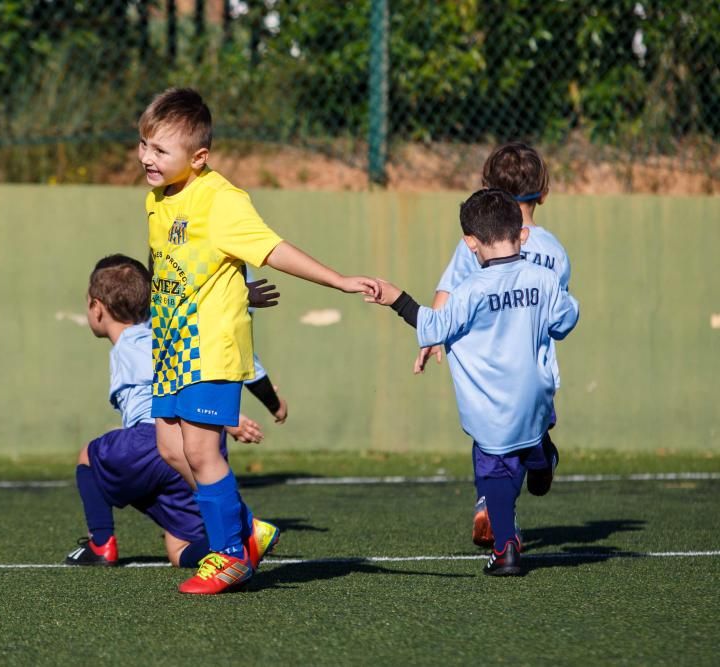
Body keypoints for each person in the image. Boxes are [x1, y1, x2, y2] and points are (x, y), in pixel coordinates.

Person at [140, 87, 380, 594]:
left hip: (211, 348)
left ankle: (231, 555)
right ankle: (247, 530)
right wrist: (235, 287)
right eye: (143, 145)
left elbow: (273, 249)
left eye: (160, 150)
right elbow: (181, 268)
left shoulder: (222, 201)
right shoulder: (156, 199)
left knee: (203, 452)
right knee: (169, 448)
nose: (147, 158)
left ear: (198, 158)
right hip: (170, 347)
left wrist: (338, 280)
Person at [367, 189, 579, 575]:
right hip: (537, 397)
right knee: (530, 438)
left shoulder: (472, 290)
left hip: (491, 405)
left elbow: (433, 325)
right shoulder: (544, 278)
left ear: (470, 243)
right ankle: (542, 458)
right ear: (522, 234)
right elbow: (565, 321)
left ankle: (507, 550)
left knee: (491, 467)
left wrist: (396, 298)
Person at [65, 254, 287, 568]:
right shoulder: (164, 331)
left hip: (157, 437)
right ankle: (237, 544)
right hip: (187, 448)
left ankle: (100, 544)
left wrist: (226, 418)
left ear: (97, 308)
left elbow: (160, 371)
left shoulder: (135, 342)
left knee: (88, 456)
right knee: (180, 547)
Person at [415, 142, 572, 548]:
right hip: (534, 374)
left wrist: (431, 338)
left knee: (493, 442)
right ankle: (534, 466)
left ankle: (495, 505)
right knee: (523, 434)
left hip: (487, 373)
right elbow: (558, 318)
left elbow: (449, 288)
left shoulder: (478, 239)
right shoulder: (554, 252)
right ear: (544, 192)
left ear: (487, 188)